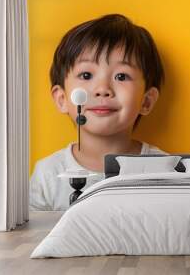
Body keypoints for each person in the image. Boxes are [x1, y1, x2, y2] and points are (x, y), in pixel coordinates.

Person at [30, 14, 168, 211]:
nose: (102, 89)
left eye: (122, 76)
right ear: (62, 99)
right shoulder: (48, 174)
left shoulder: (165, 170)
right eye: (86, 75)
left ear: (146, 101)